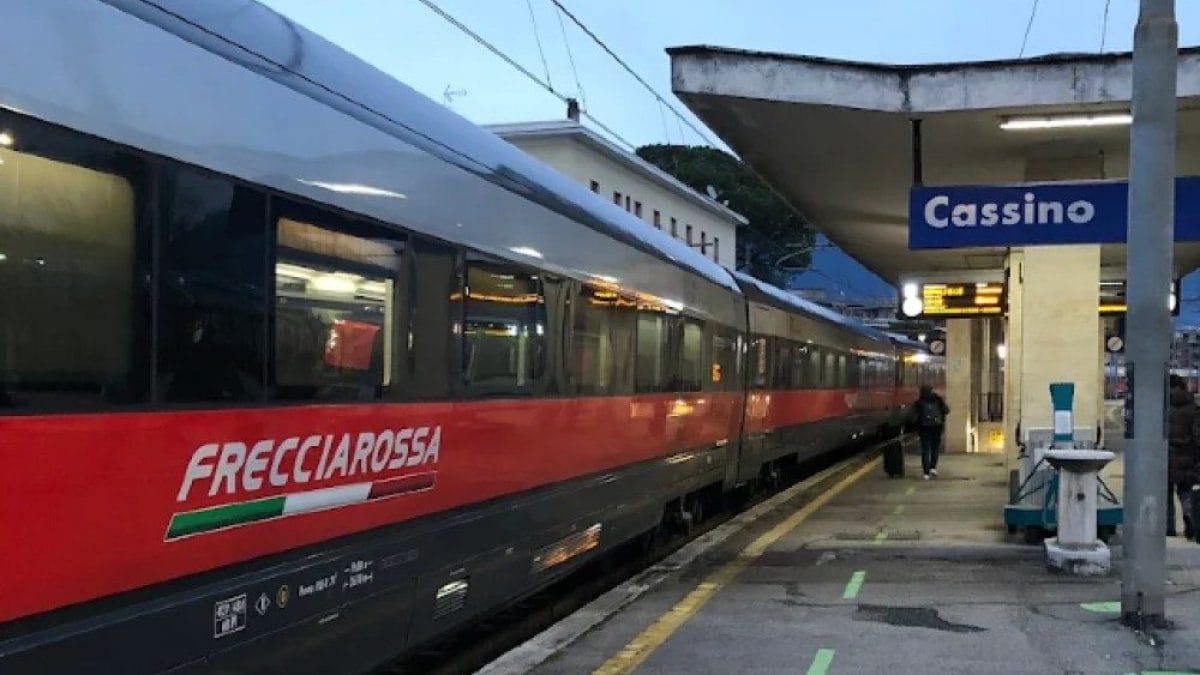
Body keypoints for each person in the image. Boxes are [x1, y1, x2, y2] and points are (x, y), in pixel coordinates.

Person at [1165, 375, 1199, 538]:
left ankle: (1168, 527)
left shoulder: (1163, 405)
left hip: (1166, 455)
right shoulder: (1193, 407)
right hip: (1187, 454)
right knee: (1185, 490)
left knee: (1166, 492)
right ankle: (1189, 515)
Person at [910, 384, 949, 481]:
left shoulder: (919, 402)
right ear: (932, 391)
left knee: (925, 450)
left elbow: (912, 416)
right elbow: (947, 410)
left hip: (924, 429)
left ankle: (926, 473)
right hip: (937, 427)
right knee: (935, 448)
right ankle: (933, 468)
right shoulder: (938, 400)